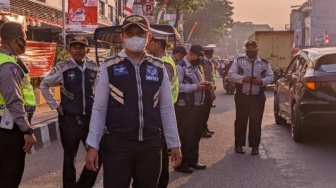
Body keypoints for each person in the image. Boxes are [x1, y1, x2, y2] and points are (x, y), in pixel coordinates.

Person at [85, 15, 182, 188]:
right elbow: (99, 108)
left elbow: (166, 108)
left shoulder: (159, 68)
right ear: (122, 37)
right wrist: (92, 145)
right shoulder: (109, 67)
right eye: (130, 33)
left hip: (151, 146)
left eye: (140, 33)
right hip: (117, 145)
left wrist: (174, 143)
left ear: (149, 37)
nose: (135, 37)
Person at [40, 36, 100, 188]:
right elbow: (44, 85)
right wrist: (55, 105)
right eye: (75, 47)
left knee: (97, 152)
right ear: (69, 50)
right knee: (69, 156)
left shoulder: (94, 67)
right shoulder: (63, 67)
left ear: (87, 50)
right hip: (69, 119)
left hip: (89, 119)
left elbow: (100, 89)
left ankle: (84, 184)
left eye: (82, 47)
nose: (78, 50)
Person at [0, 22, 37, 188]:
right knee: (10, 176)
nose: (27, 41)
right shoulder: (8, 65)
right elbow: (13, 100)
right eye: (26, 37)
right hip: (9, 129)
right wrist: (26, 129)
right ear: (19, 40)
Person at [146, 29, 179, 188]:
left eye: (150, 42)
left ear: (158, 44)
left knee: (161, 150)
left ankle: (161, 182)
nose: (147, 45)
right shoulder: (162, 59)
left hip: (162, 111)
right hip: (160, 110)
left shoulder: (164, 62)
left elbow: (158, 87)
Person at [228, 40, 273, 155]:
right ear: (246, 50)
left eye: (253, 48)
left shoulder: (264, 63)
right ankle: (238, 145)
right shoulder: (239, 61)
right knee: (240, 121)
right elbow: (231, 74)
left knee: (256, 122)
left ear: (257, 49)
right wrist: (243, 79)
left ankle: (255, 146)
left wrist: (261, 81)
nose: (251, 50)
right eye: (249, 48)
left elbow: (270, 76)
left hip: (257, 97)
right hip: (242, 97)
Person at [175, 45, 212, 174]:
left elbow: (199, 81)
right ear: (190, 54)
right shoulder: (180, 67)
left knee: (195, 135)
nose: (199, 59)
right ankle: (182, 164)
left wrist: (204, 84)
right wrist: (195, 87)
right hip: (185, 107)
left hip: (197, 106)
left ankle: (192, 161)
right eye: (197, 56)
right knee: (186, 136)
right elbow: (178, 86)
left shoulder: (195, 67)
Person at [200, 45, 217, 138]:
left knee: (205, 111)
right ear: (212, 53)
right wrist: (212, 92)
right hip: (207, 90)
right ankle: (202, 130)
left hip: (205, 89)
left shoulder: (205, 62)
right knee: (205, 111)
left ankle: (204, 127)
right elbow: (208, 78)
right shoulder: (207, 63)